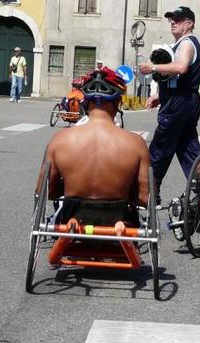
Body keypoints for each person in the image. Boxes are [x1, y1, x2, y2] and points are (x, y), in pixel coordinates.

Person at [36, 67, 150, 229]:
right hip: (119, 224)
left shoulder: (59, 140)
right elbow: (145, 198)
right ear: (118, 103)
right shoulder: (136, 143)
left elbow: (45, 191)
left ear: (86, 102)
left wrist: (71, 184)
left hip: (72, 223)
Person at [139, 6, 200, 206]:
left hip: (179, 104)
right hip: (183, 102)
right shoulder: (181, 43)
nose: (173, 22)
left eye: (178, 19)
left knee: (159, 148)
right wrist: (159, 95)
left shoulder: (187, 43)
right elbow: (176, 77)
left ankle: (149, 192)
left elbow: (181, 67)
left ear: (189, 23)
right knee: (187, 149)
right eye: (171, 19)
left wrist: (154, 67)